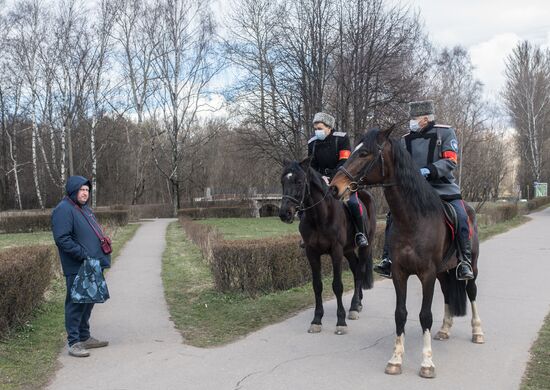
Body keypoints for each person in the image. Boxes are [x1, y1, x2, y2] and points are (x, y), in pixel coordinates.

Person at [374, 100, 474, 281]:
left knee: (460, 215)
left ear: (426, 119)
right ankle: (388, 258)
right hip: (415, 192)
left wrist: (427, 171)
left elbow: (450, 161)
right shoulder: (405, 140)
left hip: (443, 187)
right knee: (392, 216)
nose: (411, 122)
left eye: (414, 118)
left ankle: (464, 261)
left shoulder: (445, 132)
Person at [51, 175, 110, 357]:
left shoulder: (83, 209)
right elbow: (62, 239)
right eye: (81, 190)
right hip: (78, 265)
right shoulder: (63, 209)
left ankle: (84, 336)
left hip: (92, 264)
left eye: (87, 190)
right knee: (76, 303)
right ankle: (74, 342)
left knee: (88, 301)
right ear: (73, 190)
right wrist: (83, 255)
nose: (85, 193)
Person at [307, 112, 368, 247]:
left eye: (320, 128)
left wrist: (331, 177)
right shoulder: (312, 143)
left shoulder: (341, 139)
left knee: (352, 202)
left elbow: (344, 161)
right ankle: (307, 235)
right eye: (316, 129)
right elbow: (311, 165)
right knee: (307, 202)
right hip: (320, 180)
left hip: (342, 178)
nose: (317, 131)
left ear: (329, 128)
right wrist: (319, 177)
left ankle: (360, 233)